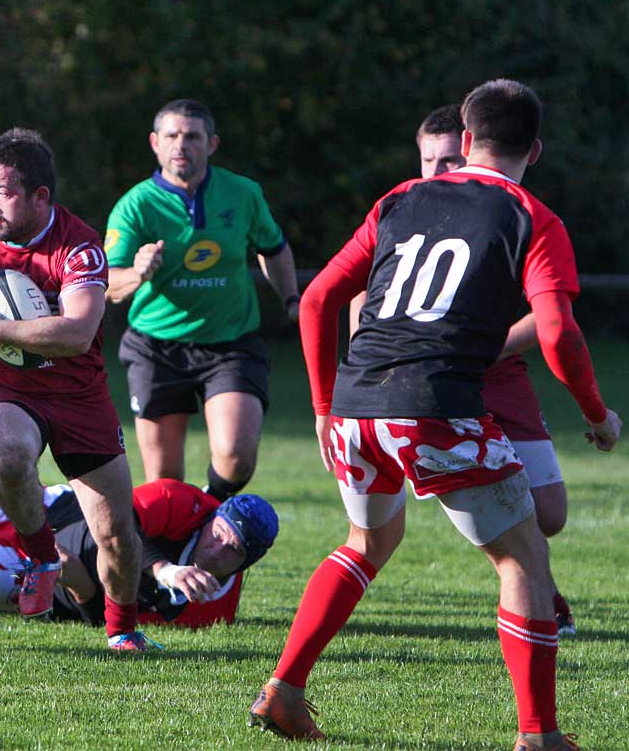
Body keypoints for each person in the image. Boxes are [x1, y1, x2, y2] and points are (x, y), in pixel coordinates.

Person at [249, 80, 621, 750]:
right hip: (437, 407)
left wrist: (322, 407)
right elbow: (559, 335)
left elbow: (315, 302)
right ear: (533, 150)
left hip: (359, 404)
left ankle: (284, 689)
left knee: (368, 543)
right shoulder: (534, 218)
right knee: (524, 560)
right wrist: (598, 416)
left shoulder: (398, 199)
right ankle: (539, 736)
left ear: (468, 140)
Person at [0, 127, 149, 651]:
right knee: (10, 451)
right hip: (0, 385)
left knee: (117, 536)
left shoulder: (78, 246)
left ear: (41, 196)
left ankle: (123, 630)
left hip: (78, 395)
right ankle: (42, 557)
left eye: (4, 193)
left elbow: (78, 331)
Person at [349, 104, 577, 634]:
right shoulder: (406, 207)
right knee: (374, 535)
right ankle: (532, 586)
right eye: (428, 160)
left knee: (550, 514)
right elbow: (362, 294)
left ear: (471, 149)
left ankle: (525, 569)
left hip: (495, 372)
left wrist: (482, 346)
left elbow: (549, 320)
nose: (438, 172)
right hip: (427, 381)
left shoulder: (510, 214)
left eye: (450, 158)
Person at [104, 99, 299, 497]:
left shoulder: (242, 194)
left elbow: (273, 248)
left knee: (235, 455)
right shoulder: (135, 205)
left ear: (211, 144)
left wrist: (293, 300)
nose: (182, 145)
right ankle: (176, 552)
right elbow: (107, 283)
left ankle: (209, 515)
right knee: (164, 484)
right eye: (172, 136)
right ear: (155, 143)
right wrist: (138, 273)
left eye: (192, 136)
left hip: (231, 343)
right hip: (157, 347)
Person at [0, 478, 278, 630]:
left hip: (53, 577)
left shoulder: (213, 608)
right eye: (218, 532)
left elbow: (103, 614)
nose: (216, 546)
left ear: (246, 563)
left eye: (231, 549)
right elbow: (119, 526)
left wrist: (74, 578)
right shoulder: (184, 502)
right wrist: (164, 570)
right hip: (49, 508)